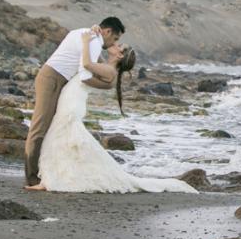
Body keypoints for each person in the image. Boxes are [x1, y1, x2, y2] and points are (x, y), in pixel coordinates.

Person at [27, 29, 198, 194]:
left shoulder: (109, 70)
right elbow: (96, 56)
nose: (115, 44)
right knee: (61, 139)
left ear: (120, 55)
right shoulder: (106, 66)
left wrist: (86, 42)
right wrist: (95, 32)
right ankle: (52, 173)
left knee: (62, 137)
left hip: (71, 103)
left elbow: (86, 64)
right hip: (70, 100)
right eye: (116, 41)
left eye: (119, 45)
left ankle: (50, 176)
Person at [24, 17, 124, 188]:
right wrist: (107, 85)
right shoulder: (92, 41)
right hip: (53, 79)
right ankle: (32, 177)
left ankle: (41, 172)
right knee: (39, 127)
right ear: (107, 31)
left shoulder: (87, 35)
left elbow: (97, 63)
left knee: (48, 128)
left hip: (52, 78)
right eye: (115, 39)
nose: (113, 43)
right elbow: (85, 75)